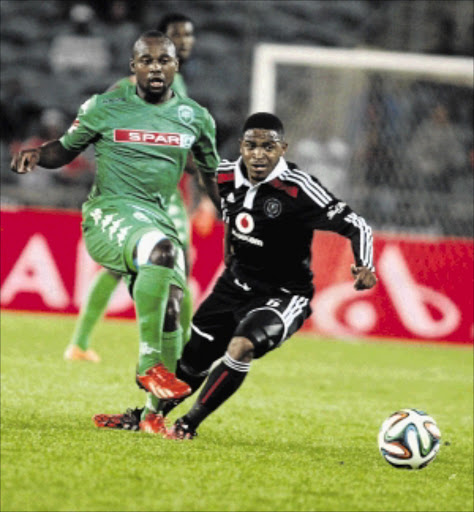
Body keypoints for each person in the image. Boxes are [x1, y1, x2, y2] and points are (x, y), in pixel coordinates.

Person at [93, 112, 377, 438]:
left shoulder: (300, 189)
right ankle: (143, 416)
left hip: (284, 294)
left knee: (242, 345)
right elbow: (193, 168)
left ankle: (188, 424)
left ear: (283, 148)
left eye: (268, 147)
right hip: (234, 286)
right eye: (251, 146)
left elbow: (356, 225)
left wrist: (364, 264)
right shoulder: (225, 175)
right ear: (241, 146)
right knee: (190, 362)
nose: (259, 154)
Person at [11, 31, 221, 433]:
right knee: (159, 252)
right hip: (110, 213)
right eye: (147, 61)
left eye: (164, 61)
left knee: (174, 308)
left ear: (176, 67)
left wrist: (230, 209)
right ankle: (147, 365)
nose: (156, 68)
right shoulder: (105, 108)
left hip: (159, 218)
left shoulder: (196, 117)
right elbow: (66, 149)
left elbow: (210, 174)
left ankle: (150, 417)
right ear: (133, 67)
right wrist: (39, 154)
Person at [64, 14, 198, 363]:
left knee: (143, 266)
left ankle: (81, 342)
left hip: (169, 191)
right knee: (175, 265)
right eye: (175, 35)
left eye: (188, 36)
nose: (183, 41)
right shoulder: (129, 88)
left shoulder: (179, 87)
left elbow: (188, 149)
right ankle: (177, 353)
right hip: (147, 194)